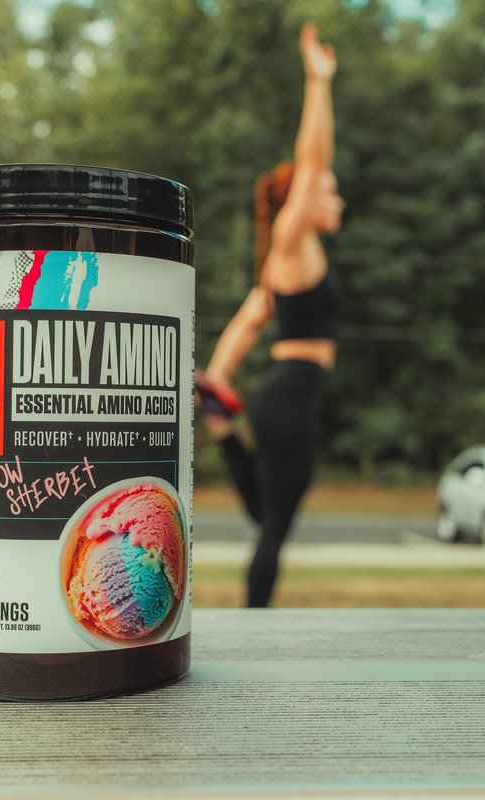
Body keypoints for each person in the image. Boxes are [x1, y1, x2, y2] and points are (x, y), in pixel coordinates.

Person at [195, 22, 345, 608]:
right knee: (275, 523)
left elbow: (245, 323)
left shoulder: (282, 268)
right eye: (328, 191)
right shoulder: (293, 244)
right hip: (288, 396)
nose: (335, 199)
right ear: (299, 202)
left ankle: (227, 435)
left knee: (269, 516)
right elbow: (313, 158)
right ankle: (256, 618)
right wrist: (317, 82)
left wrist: (216, 381)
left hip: (284, 397)